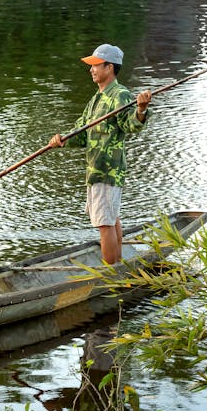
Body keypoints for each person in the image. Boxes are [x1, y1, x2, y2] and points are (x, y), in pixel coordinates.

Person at [49, 43, 152, 264]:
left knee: (104, 223)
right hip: (95, 168)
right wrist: (62, 140)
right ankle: (119, 266)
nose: (91, 69)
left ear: (110, 67)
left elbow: (130, 125)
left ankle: (111, 274)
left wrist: (141, 110)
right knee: (110, 219)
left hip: (108, 169)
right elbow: (81, 133)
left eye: (96, 65)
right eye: (92, 65)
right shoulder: (96, 99)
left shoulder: (120, 94)